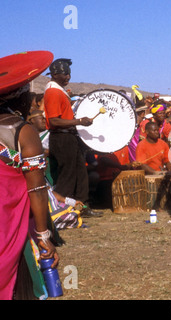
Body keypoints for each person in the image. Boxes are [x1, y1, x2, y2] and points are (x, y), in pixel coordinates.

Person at [0, 50, 59, 300]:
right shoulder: (22, 131)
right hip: (11, 224)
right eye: (31, 98)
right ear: (21, 99)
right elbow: (36, 188)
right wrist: (44, 236)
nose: (33, 104)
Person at [43, 58, 101, 217]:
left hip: (68, 136)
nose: (68, 77)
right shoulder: (53, 92)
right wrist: (79, 121)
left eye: (69, 73)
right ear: (54, 74)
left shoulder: (58, 91)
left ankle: (82, 206)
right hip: (61, 138)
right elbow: (54, 120)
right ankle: (61, 209)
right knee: (67, 175)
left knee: (80, 173)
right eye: (64, 74)